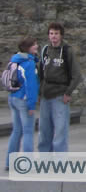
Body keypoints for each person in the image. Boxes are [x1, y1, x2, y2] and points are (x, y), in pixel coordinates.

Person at [37, 23, 82, 153]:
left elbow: (77, 75)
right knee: (44, 131)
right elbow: (40, 72)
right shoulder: (45, 50)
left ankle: (59, 162)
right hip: (46, 94)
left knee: (60, 131)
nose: (54, 36)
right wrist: (40, 92)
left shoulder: (68, 51)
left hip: (60, 95)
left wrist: (68, 93)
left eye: (56, 34)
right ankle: (45, 159)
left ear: (61, 35)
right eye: (51, 34)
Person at [5, 38, 40, 171]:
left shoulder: (15, 60)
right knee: (28, 132)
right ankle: (27, 164)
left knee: (16, 131)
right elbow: (31, 85)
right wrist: (31, 105)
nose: (36, 46)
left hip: (13, 98)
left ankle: (9, 162)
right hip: (24, 100)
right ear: (28, 48)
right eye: (34, 45)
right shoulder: (29, 63)